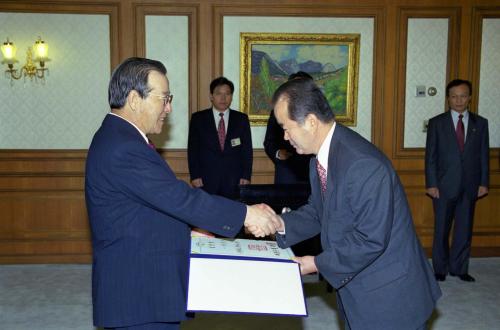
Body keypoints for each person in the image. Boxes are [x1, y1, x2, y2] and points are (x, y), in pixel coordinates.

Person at [85, 57, 279, 330]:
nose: (169, 108)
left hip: (144, 280)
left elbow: (147, 205)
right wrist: (246, 213)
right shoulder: (124, 146)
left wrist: (188, 231)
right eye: (164, 98)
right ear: (134, 99)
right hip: (138, 291)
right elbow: (178, 197)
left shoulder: (120, 137)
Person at [271, 78, 441, 330]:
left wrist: (315, 263)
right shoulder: (320, 157)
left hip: (389, 295)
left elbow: (370, 239)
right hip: (359, 286)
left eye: (286, 127)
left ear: (311, 121)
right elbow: (320, 212)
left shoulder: (362, 164)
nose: (284, 137)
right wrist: (279, 223)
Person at [425, 79, 489, 283]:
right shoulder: (437, 123)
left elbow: (483, 156)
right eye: (454, 96)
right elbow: (431, 157)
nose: (459, 100)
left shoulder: (481, 123)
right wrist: (432, 184)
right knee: (442, 229)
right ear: (448, 99)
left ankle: (459, 268)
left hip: (470, 185)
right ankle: (440, 269)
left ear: (470, 97)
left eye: (463, 96)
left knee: (464, 228)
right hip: (443, 186)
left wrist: (483, 182)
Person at [188, 77, 252, 199]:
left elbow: (247, 150)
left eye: (227, 94)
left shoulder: (241, 119)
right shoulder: (198, 119)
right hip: (206, 180)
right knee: (206, 214)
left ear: (231, 96)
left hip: (235, 180)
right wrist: (195, 175)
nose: (223, 98)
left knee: (231, 214)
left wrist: (246, 175)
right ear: (211, 96)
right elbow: (193, 150)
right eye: (219, 94)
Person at [264, 71, 313, 184]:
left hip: (313, 170)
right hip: (287, 170)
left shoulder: (318, 114)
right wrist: (278, 153)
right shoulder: (278, 112)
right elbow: (269, 141)